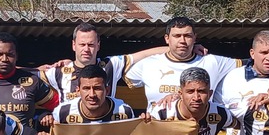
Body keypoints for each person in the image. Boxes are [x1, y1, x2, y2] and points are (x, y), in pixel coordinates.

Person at [40, 21, 190, 102]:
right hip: (71, 134)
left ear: (98, 45)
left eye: (91, 44)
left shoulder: (111, 64)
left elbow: (143, 55)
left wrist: (183, 49)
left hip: (104, 134)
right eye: (82, 44)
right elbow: (21, 73)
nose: (86, 49)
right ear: (74, 45)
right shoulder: (58, 71)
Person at [123, 16, 239, 108]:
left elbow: (252, 64)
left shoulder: (213, 62)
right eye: (177, 36)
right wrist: (166, 49)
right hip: (158, 133)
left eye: (187, 36)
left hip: (198, 134)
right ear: (167, 39)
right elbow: (118, 65)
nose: (182, 41)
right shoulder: (148, 64)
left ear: (195, 38)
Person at [0, 32, 58, 135]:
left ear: (17, 56)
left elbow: (59, 106)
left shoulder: (32, 81)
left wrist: (44, 114)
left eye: (10, 55)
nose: (4, 59)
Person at [52, 64, 136, 124]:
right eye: (86, 88)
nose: (92, 95)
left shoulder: (124, 111)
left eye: (97, 88)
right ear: (78, 91)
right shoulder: (62, 112)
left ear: (107, 90)